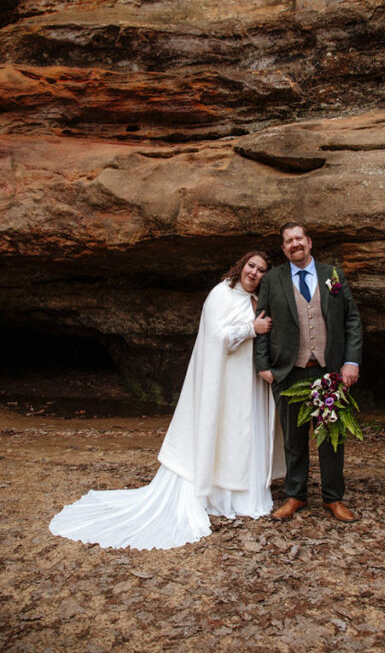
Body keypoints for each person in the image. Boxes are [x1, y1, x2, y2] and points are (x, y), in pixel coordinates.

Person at [50, 251, 285, 550]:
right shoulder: (220, 293)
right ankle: (219, 494)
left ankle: (245, 494)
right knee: (227, 431)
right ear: (242, 266)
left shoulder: (256, 300)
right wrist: (251, 329)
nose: (254, 272)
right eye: (251, 266)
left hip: (249, 380)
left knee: (244, 433)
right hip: (224, 380)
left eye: (262, 270)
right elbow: (215, 338)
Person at [254, 222, 363, 523]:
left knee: (332, 438)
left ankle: (333, 498)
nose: (294, 244)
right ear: (283, 248)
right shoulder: (273, 279)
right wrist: (264, 366)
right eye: (288, 241)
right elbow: (262, 324)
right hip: (289, 371)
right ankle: (296, 495)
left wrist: (351, 361)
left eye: (298, 238)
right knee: (294, 438)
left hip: (329, 371)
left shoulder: (333, 275)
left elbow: (352, 320)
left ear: (310, 242)